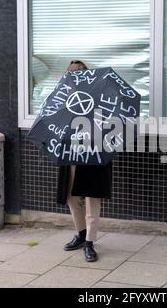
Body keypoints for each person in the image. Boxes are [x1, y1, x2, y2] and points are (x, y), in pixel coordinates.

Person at [56, 60, 113, 262]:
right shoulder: (63, 96)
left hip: (93, 151)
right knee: (71, 195)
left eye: (80, 71)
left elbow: (108, 120)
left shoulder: (99, 95)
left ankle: (89, 241)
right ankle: (80, 233)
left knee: (91, 198)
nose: (76, 74)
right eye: (72, 71)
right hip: (70, 151)